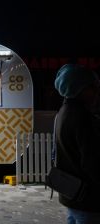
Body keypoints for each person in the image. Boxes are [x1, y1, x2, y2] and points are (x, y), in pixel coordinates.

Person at [54, 64, 100, 224]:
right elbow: (92, 161)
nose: (96, 91)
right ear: (79, 89)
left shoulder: (62, 113)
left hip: (71, 193)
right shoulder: (82, 118)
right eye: (92, 86)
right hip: (87, 198)